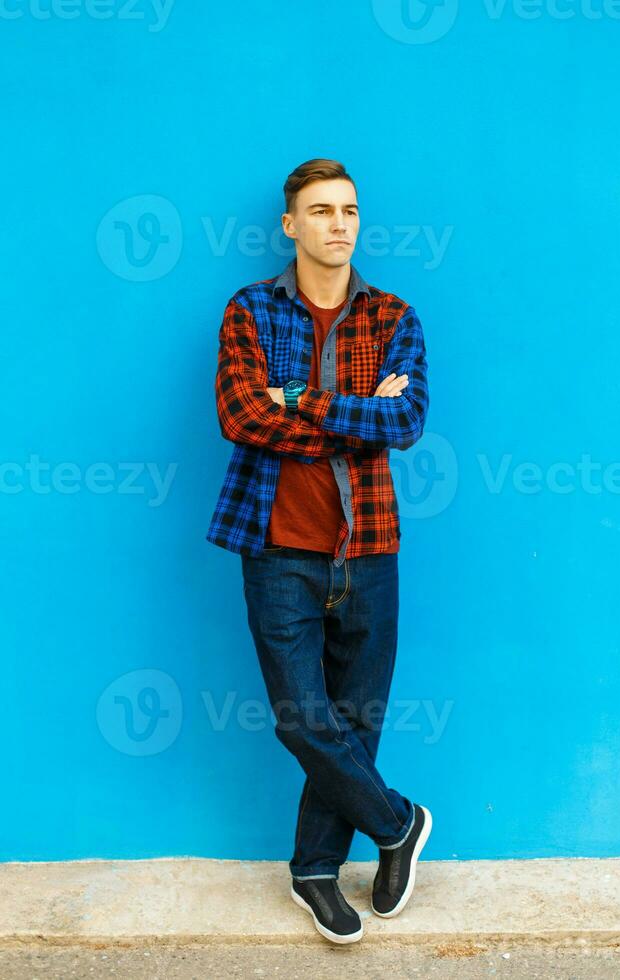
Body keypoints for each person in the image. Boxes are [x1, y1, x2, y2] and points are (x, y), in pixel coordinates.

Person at [207, 158, 432, 945]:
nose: (340, 223)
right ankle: (398, 823)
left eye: (350, 210)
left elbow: (405, 425)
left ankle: (313, 871)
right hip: (277, 552)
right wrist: (356, 411)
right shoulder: (250, 311)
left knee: (356, 721)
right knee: (305, 717)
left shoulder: (394, 317)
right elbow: (241, 416)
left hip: (370, 550)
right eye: (322, 210)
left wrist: (300, 398)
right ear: (291, 225)